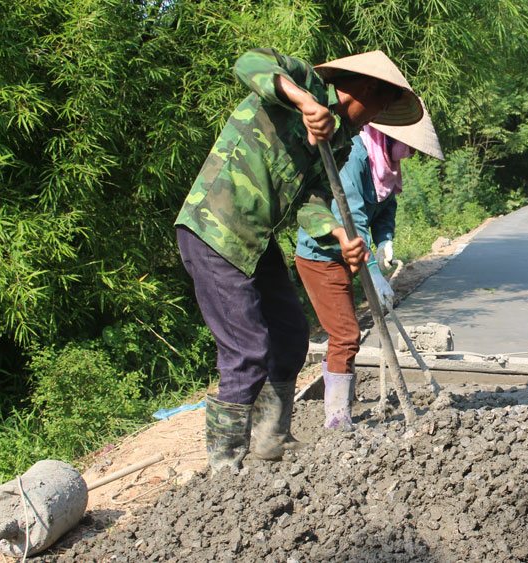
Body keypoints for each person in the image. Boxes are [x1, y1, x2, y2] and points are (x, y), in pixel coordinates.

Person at [174, 48, 423, 473]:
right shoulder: (302, 82)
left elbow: (313, 203)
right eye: (379, 106)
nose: (375, 117)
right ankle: (224, 470)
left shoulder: (339, 143)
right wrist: (303, 102)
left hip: (255, 238)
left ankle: (272, 439)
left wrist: (341, 235)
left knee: (290, 334)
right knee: (246, 350)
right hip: (214, 228)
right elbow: (246, 63)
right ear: (363, 90)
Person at [294, 102, 444, 429]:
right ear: (389, 136)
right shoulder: (357, 158)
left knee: (347, 331)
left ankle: (341, 405)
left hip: (352, 255)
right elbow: (353, 222)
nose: (411, 155)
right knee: (347, 333)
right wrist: (374, 273)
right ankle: (336, 417)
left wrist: (386, 240)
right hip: (323, 255)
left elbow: (385, 208)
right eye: (410, 147)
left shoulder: (385, 162)